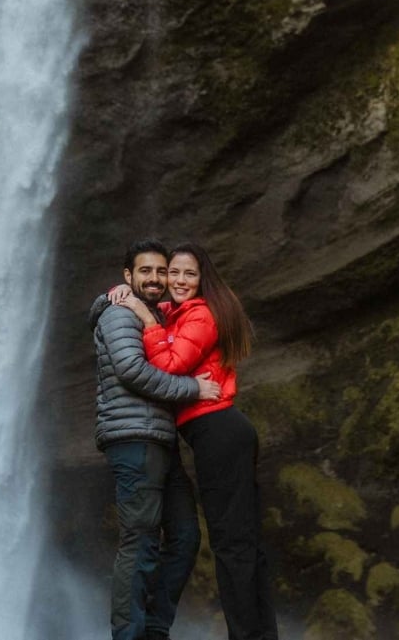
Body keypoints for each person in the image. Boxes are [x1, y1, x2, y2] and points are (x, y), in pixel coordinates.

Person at [110, 241, 279, 640]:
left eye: (189, 273)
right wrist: (121, 296)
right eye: (173, 273)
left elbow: (168, 364)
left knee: (232, 546)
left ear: (203, 279)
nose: (178, 281)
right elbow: (159, 309)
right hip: (219, 434)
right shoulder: (182, 312)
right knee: (244, 545)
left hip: (219, 431)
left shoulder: (201, 315)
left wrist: (144, 320)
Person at [90, 238, 221, 640]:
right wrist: (192, 389)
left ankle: (153, 630)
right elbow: (131, 370)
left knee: (184, 537)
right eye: (145, 271)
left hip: (159, 441)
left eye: (161, 271)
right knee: (141, 540)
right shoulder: (119, 313)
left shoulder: (152, 315)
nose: (156, 278)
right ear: (127, 276)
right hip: (134, 439)